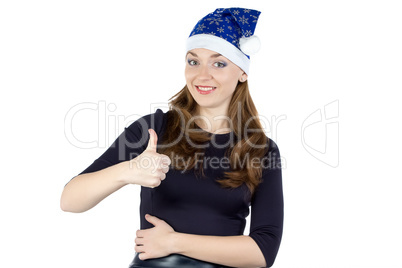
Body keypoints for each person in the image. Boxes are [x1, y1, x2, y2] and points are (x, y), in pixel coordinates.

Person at [61, 7, 283, 268]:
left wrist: (174, 242)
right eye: (193, 61)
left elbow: (263, 251)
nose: (202, 75)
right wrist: (126, 171)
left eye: (219, 63)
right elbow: (69, 200)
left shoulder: (261, 150)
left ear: (243, 72)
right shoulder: (154, 128)